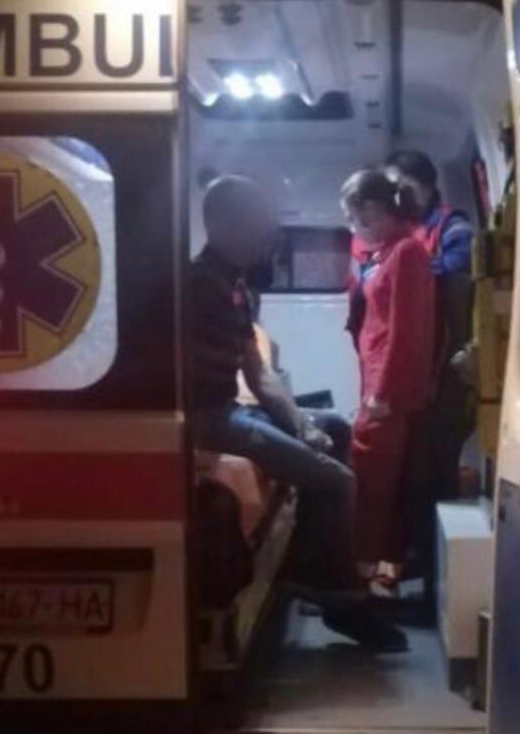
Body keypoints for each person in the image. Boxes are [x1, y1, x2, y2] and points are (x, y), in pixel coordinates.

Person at [190, 175, 405, 651]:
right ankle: (336, 596)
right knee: (338, 481)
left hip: (230, 408)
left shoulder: (234, 285)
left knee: (334, 427)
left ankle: (314, 566)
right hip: (205, 419)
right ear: (223, 224)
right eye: (255, 222)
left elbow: (259, 374)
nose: (265, 233)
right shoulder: (195, 286)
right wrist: (298, 432)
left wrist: (303, 426)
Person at [339, 169, 437, 597]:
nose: (354, 227)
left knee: (372, 483)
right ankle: (374, 573)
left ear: (373, 210)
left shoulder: (407, 253)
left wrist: (385, 393)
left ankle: (359, 580)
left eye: (354, 217)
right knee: (376, 482)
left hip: (387, 391)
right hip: (377, 382)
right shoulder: (388, 253)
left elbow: (407, 330)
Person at [384, 149, 476, 502]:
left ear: (425, 186)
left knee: (439, 450)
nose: (398, 196)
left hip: (445, 356)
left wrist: (409, 271)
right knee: (412, 454)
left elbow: (457, 271)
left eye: (403, 187)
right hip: (416, 356)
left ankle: (436, 526)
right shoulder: (402, 230)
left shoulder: (453, 228)